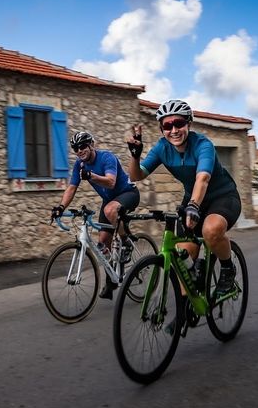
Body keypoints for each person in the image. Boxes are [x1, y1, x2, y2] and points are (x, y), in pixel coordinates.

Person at [125, 99, 241, 296]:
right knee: (182, 256)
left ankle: (228, 269)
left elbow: (202, 178)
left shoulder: (203, 145)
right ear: (162, 129)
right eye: (167, 126)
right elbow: (136, 176)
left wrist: (194, 205)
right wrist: (135, 157)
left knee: (210, 231)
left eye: (179, 123)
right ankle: (185, 312)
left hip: (223, 196)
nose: (174, 130)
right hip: (193, 200)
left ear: (189, 123)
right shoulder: (162, 148)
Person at [50, 131, 140, 300]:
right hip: (109, 200)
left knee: (109, 210)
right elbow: (72, 187)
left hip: (128, 193)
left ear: (91, 145)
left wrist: (92, 176)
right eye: (75, 148)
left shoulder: (107, 158)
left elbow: (111, 181)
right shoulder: (79, 165)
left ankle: (126, 242)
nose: (79, 150)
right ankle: (112, 281)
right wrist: (61, 207)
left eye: (83, 146)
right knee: (103, 244)